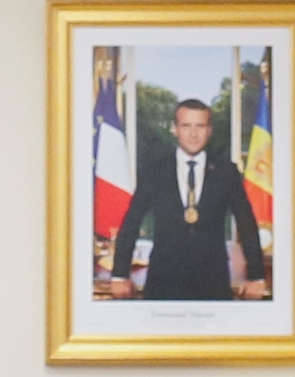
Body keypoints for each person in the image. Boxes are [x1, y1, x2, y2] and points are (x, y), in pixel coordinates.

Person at [103, 97, 269, 300]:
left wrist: (257, 276)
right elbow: (131, 223)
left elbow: (247, 225)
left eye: (200, 126)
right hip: (163, 282)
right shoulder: (154, 171)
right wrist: (120, 274)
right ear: (175, 129)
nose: (193, 134)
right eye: (186, 126)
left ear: (209, 130)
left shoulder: (227, 172)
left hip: (213, 282)